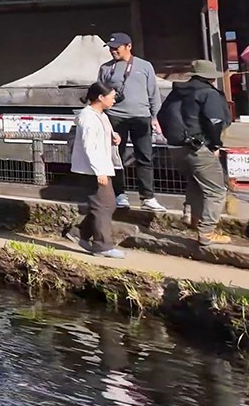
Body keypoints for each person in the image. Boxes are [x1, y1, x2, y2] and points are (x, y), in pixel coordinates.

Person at [159, 60, 232, 246]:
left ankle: (193, 219)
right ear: (210, 78)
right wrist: (214, 145)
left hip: (175, 148)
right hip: (198, 147)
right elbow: (215, 122)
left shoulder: (177, 92)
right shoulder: (209, 93)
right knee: (216, 190)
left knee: (196, 183)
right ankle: (207, 232)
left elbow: (161, 115)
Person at [96, 32, 165, 212]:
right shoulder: (106, 68)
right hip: (115, 116)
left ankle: (147, 197)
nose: (113, 51)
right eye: (110, 48)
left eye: (116, 48)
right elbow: (99, 94)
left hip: (141, 116)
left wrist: (155, 116)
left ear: (129, 46)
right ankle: (119, 194)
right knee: (116, 157)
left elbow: (153, 93)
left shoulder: (145, 66)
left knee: (144, 156)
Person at [71, 81, 125, 258]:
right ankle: (102, 245)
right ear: (101, 97)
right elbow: (90, 146)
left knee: (104, 204)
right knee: (104, 205)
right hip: (93, 169)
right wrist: (99, 171)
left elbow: (102, 137)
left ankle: (80, 233)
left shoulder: (101, 115)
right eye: (112, 97)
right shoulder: (88, 117)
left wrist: (114, 137)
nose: (114, 100)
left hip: (100, 167)